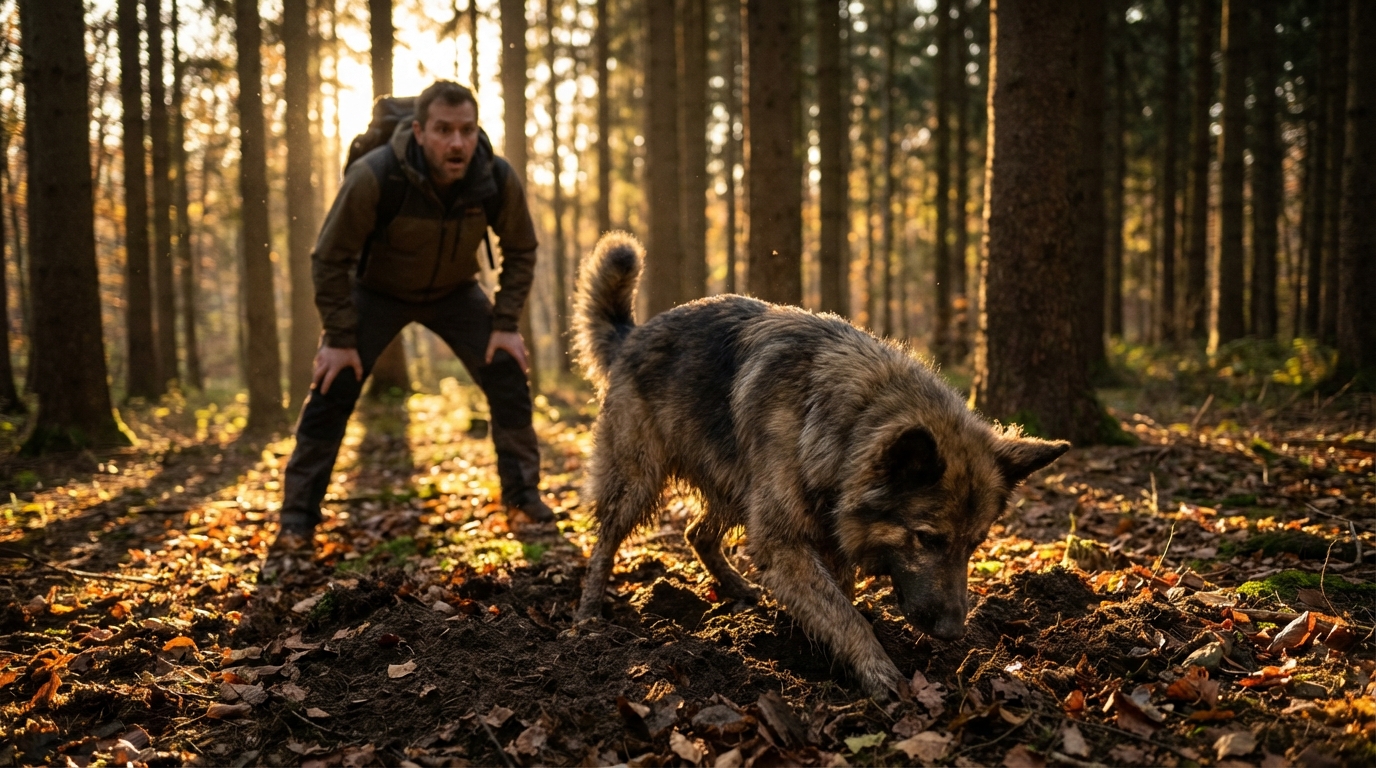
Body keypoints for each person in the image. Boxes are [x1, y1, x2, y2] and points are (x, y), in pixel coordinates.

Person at [275, 80, 553, 550]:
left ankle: (523, 497)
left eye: (467, 130)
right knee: (333, 383)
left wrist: (505, 324)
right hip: (377, 292)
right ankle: (297, 518)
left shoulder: (494, 178)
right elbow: (328, 257)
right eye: (444, 130)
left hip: (456, 292)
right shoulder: (375, 176)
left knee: (507, 371)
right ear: (420, 131)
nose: (457, 143)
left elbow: (521, 248)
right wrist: (340, 337)